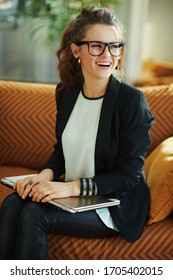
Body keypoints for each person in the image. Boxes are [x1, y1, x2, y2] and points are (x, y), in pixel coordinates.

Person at [0, 7, 154, 260]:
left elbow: (129, 177)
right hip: (73, 195)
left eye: (115, 46)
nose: (107, 54)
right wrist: (44, 176)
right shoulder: (67, 92)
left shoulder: (131, 101)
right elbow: (61, 150)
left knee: (34, 214)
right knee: (12, 203)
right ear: (76, 50)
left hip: (113, 204)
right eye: (97, 46)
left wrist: (69, 188)